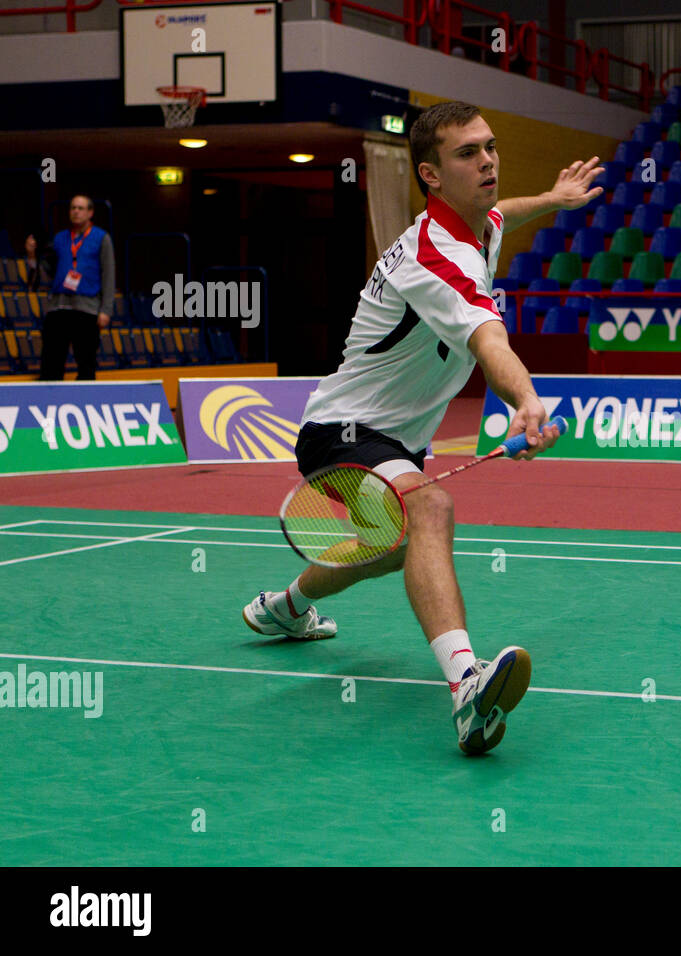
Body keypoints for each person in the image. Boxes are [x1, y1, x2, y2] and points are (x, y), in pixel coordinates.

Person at [241, 101, 597, 756]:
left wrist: (552, 197)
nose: (487, 161)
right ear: (430, 176)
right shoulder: (431, 257)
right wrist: (525, 398)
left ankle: (287, 607)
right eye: (468, 154)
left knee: (389, 547)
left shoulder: (476, 222)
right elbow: (488, 338)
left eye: (490, 147)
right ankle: (467, 687)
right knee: (430, 508)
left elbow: (500, 214)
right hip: (340, 430)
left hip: (391, 439)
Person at [39, 195, 113, 381]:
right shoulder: (60, 238)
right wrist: (33, 257)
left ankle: (84, 404)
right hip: (59, 307)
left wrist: (106, 309)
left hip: (86, 309)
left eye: (80, 208)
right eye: (73, 208)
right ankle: (49, 403)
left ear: (90, 212)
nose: (76, 212)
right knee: (51, 362)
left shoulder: (101, 238)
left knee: (86, 363)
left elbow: (109, 274)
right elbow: (49, 271)